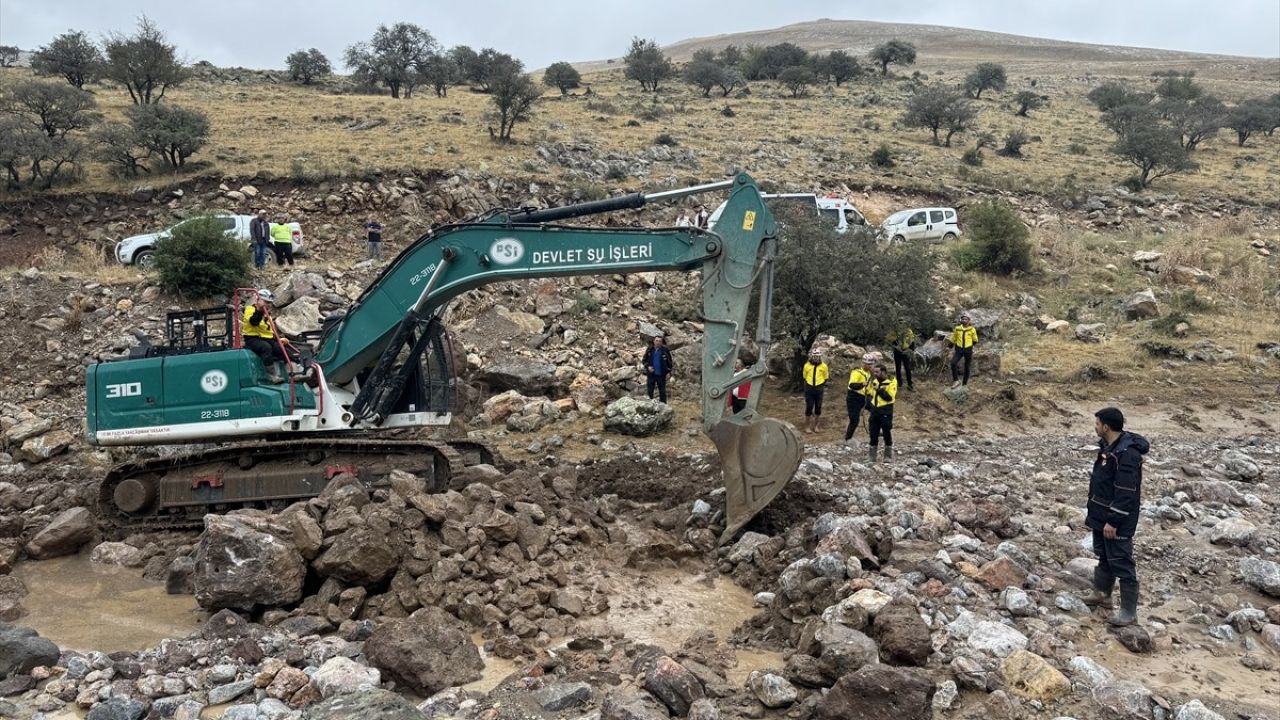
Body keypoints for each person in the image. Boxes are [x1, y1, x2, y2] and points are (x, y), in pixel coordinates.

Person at [1081, 407, 1149, 627]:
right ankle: (1102, 594)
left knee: (1121, 561)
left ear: (1107, 427)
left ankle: (1129, 612)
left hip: (1116, 521)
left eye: (1098, 423)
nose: (1095, 427)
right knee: (1104, 555)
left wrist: (1114, 520)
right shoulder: (1108, 448)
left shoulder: (1126, 455)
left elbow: (1125, 493)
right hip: (1101, 514)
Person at [242, 289, 286, 383]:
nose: (268, 305)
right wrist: (259, 310)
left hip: (266, 338)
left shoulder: (267, 315)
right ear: (259, 300)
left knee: (281, 348)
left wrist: (279, 339)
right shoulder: (250, 309)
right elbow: (254, 322)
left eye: (269, 303)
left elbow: (269, 330)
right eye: (266, 302)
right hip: (252, 338)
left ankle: (293, 373)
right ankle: (272, 375)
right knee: (266, 347)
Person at [866, 363, 897, 462]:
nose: (875, 374)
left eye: (877, 372)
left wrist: (878, 390)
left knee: (886, 432)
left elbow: (889, 397)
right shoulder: (874, 381)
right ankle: (872, 456)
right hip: (874, 410)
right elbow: (870, 393)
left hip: (885, 410)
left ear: (883, 372)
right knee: (873, 432)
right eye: (874, 371)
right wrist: (869, 404)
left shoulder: (891, 382)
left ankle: (887, 456)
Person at [844, 353, 874, 444]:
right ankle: (848, 438)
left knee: (876, 409)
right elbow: (851, 385)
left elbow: (868, 388)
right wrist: (862, 384)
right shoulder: (856, 372)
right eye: (869, 365)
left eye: (871, 365)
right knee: (854, 420)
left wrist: (872, 395)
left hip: (864, 397)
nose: (870, 367)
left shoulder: (868, 373)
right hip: (853, 397)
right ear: (864, 364)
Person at [801, 349, 828, 434]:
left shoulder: (824, 366)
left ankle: (816, 426)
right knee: (809, 406)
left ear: (820, 357)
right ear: (812, 356)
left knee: (818, 407)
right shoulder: (807, 365)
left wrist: (820, 385)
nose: (816, 358)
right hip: (809, 388)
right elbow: (804, 377)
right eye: (815, 357)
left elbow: (826, 377)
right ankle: (807, 426)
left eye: (818, 357)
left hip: (819, 388)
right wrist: (808, 386)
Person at [948, 314, 978, 387]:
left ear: (969, 321)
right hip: (959, 350)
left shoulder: (972, 329)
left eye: (966, 319)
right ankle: (956, 380)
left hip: (968, 350)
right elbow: (953, 338)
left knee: (967, 367)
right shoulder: (957, 328)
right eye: (963, 319)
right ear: (961, 320)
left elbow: (975, 340)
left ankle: (964, 383)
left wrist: (969, 346)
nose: (964, 320)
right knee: (953, 363)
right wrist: (949, 347)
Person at [642, 336, 674, 403]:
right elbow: (644, 360)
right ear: (654, 341)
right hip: (651, 375)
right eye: (656, 340)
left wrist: (669, 372)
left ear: (662, 342)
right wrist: (648, 367)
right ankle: (649, 406)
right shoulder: (650, 349)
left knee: (662, 392)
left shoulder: (665, 350)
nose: (658, 342)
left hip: (661, 375)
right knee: (650, 391)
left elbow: (669, 362)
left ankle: (663, 407)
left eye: (660, 341)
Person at [887, 326, 917, 391]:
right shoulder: (895, 331)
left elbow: (912, 341)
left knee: (907, 368)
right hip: (898, 352)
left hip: (906, 351)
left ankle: (910, 384)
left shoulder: (909, 331)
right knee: (898, 367)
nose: (901, 324)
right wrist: (895, 347)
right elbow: (891, 340)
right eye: (900, 323)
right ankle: (899, 383)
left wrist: (910, 350)